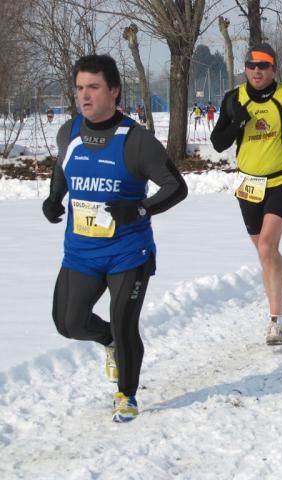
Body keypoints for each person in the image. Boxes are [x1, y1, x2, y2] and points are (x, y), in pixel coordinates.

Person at [41, 54, 188, 422]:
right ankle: (109, 342)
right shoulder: (69, 132)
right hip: (81, 252)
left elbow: (176, 186)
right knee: (68, 323)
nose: (84, 96)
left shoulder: (136, 140)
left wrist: (138, 208)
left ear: (114, 91)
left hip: (128, 252)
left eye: (93, 87)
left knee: (123, 322)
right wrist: (53, 198)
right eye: (79, 88)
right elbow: (63, 168)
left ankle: (127, 394)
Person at [210, 43, 282, 346]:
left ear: (273, 69)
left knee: (266, 246)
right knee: (265, 253)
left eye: (263, 66)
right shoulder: (234, 99)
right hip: (248, 185)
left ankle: (275, 321)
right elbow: (218, 143)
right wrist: (237, 122)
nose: (257, 71)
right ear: (245, 69)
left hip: (281, 180)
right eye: (251, 66)